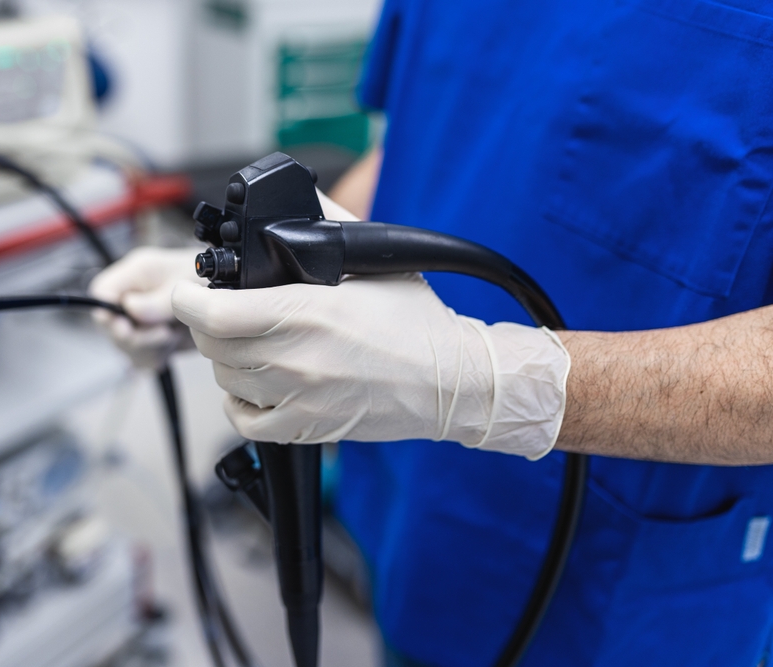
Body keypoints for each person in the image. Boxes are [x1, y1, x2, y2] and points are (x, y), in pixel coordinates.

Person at [92, 1, 773, 665]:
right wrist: (258, 277)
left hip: (622, 592)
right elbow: (426, 137)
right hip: (411, 504)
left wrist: (490, 382)